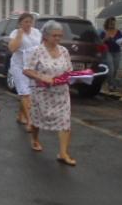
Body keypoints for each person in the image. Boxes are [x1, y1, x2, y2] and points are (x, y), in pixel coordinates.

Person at [23, 20, 76, 166]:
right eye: (55, 36)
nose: (58, 39)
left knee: (65, 121)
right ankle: (34, 138)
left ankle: (63, 153)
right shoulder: (37, 51)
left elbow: (69, 71)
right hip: (42, 94)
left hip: (61, 93)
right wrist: (42, 77)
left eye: (60, 36)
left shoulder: (64, 51)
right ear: (45, 36)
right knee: (37, 119)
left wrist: (77, 77)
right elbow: (26, 70)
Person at [8, 13, 42, 132]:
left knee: (29, 93)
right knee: (24, 93)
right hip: (19, 67)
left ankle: (20, 115)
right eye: (25, 22)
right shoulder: (15, 33)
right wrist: (20, 36)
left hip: (32, 67)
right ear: (20, 23)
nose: (28, 24)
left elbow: (42, 48)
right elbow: (12, 48)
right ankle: (30, 121)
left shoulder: (37, 32)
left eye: (30, 22)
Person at [99, 17, 122, 92]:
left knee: (115, 69)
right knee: (111, 68)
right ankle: (111, 85)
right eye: (111, 23)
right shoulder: (104, 32)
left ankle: (111, 82)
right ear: (107, 23)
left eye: (113, 23)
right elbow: (99, 43)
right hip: (108, 52)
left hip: (117, 52)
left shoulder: (118, 32)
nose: (112, 25)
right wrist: (105, 39)